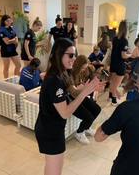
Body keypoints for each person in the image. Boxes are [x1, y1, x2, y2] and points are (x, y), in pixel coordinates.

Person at [34, 38, 103, 175]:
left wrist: (89, 89)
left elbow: (72, 93)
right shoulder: (54, 80)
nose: (74, 58)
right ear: (59, 54)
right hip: (49, 131)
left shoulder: (62, 73)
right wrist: (84, 92)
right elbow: (65, 113)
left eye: (75, 54)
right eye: (70, 55)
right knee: (55, 169)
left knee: (54, 167)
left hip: (54, 128)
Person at [67, 55, 102, 144]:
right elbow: (73, 93)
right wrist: (85, 88)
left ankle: (86, 128)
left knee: (97, 109)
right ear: (78, 66)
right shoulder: (69, 75)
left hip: (79, 96)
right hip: (70, 100)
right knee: (88, 117)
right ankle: (79, 132)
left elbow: (80, 89)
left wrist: (89, 88)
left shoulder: (79, 73)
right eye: (83, 68)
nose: (83, 70)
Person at [109, 20, 132, 105]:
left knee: (113, 82)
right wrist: (130, 55)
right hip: (120, 65)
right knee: (116, 84)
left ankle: (110, 97)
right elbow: (123, 55)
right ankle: (114, 100)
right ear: (126, 29)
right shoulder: (124, 41)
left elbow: (114, 51)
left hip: (113, 63)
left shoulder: (115, 39)